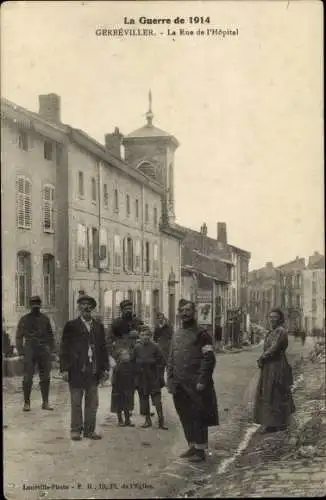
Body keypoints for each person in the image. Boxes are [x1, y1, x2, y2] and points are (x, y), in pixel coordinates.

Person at [167, 300, 219, 462]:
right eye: (182, 310)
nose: (185, 313)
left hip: (196, 384)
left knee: (198, 416)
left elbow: (209, 359)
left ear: (194, 312)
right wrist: (170, 380)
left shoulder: (202, 334)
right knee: (185, 415)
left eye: (188, 310)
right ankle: (192, 445)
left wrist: (202, 380)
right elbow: (171, 358)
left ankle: (200, 449)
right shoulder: (176, 334)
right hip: (179, 384)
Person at [60, 295, 109, 441]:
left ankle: (89, 431)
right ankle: (75, 430)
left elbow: (103, 348)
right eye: (82, 304)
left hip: (93, 371)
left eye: (88, 305)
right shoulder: (71, 326)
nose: (85, 307)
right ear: (79, 308)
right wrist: (64, 369)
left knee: (92, 402)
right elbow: (64, 348)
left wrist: (105, 368)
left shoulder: (98, 326)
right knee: (76, 401)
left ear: (92, 308)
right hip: (76, 370)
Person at [253, 308, 295, 434]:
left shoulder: (281, 331)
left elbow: (275, 347)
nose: (272, 319)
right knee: (268, 393)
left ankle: (278, 423)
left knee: (275, 392)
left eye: (275, 317)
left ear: (280, 319)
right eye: (270, 317)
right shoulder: (271, 331)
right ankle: (271, 423)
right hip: (269, 366)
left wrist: (263, 357)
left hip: (277, 366)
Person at [16, 296, 55, 412]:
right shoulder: (24, 319)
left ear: (40, 305)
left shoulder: (45, 319)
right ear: (30, 306)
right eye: (33, 304)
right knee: (27, 377)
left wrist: (51, 350)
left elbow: (50, 336)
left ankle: (45, 402)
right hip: (29, 350)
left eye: (37, 304)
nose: (35, 307)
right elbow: (19, 337)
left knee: (46, 377)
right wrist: (21, 352)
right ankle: (27, 403)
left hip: (43, 350)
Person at [131, 325, 168, 430]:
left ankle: (161, 421)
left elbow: (162, 362)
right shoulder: (137, 347)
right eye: (142, 335)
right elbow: (132, 362)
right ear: (139, 336)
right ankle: (147, 420)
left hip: (153, 377)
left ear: (150, 336)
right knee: (144, 399)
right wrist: (136, 372)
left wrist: (158, 371)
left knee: (157, 400)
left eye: (147, 334)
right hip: (142, 377)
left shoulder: (155, 347)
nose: (145, 337)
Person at [110, 349, 135, 427]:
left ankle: (127, 420)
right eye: (123, 355)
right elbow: (114, 379)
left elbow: (133, 377)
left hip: (128, 388)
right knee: (119, 405)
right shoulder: (117, 367)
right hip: (119, 389)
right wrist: (115, 388)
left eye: (127, 354)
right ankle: (120, 420)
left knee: (127, 405)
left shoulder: (131, 366)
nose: (126, 356)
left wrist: (133, 387)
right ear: (120, 357)